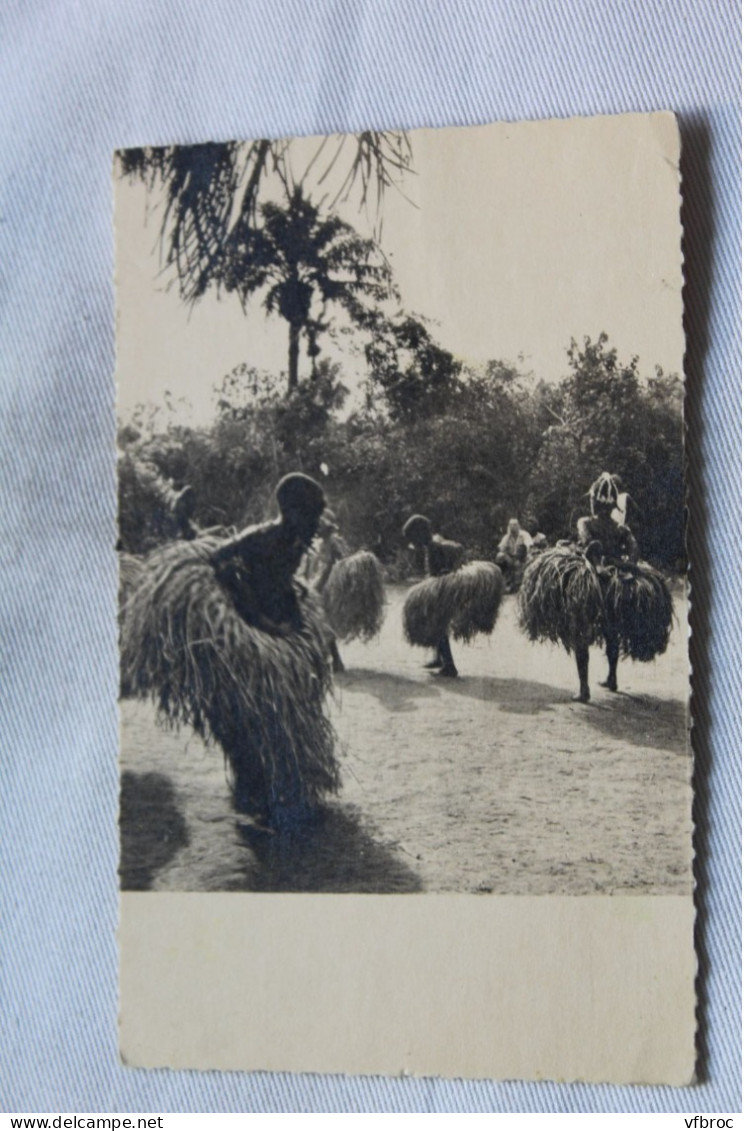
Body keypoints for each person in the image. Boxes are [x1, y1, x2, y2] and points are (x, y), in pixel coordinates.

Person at [210, 473, 327, 636]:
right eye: (313, 516)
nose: (317, 523)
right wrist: (238, 587)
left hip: (285, 618)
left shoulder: (295, 542)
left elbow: (281, 579)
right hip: (260, 623)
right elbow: (218, 556)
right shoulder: (261, 537)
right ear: (294, 513)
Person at [573, 471, 640, 700]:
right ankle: (612, 677)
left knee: (581, 630)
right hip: (615, 581)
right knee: (612, 630)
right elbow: (633, 547)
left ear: (593, 502)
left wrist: (598, 562)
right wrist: (627, 564)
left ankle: (584, 688)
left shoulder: (585, 522)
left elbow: (587, 543)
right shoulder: (620, 529)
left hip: (592, 580)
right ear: (613, 506)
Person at [402, 514, 464, 676]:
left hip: (441, 592)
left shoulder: (434, 546)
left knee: (439, 627)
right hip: (437, 591)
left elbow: (451, 557)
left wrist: (442, 576)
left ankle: (449, 666)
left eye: (413, 539)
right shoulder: (432, 544)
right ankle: (438, 658)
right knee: (436, 625)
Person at [496, 517, 532, 592]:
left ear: (518, 526)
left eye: (514, 525)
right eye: (511, 525)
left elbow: (529, 547)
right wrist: (507, 556)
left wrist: (524, 556)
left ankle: (526, 583)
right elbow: (501, 548)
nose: (512, 527)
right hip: (512, 558)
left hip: (523, 557)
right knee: (500, 556)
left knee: (524, 552)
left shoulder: (524, 534)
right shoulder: (507, 536)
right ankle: (504, 581)